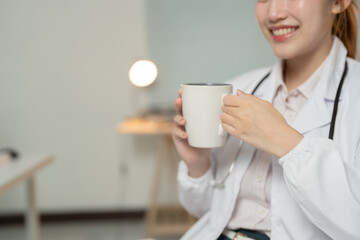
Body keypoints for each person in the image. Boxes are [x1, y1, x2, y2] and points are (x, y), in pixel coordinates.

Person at [172, 0, 360, 239]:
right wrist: (197, 164)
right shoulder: (240, 87)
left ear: (338, 3)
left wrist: (287, 143)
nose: (273, 13)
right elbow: (207, 212)